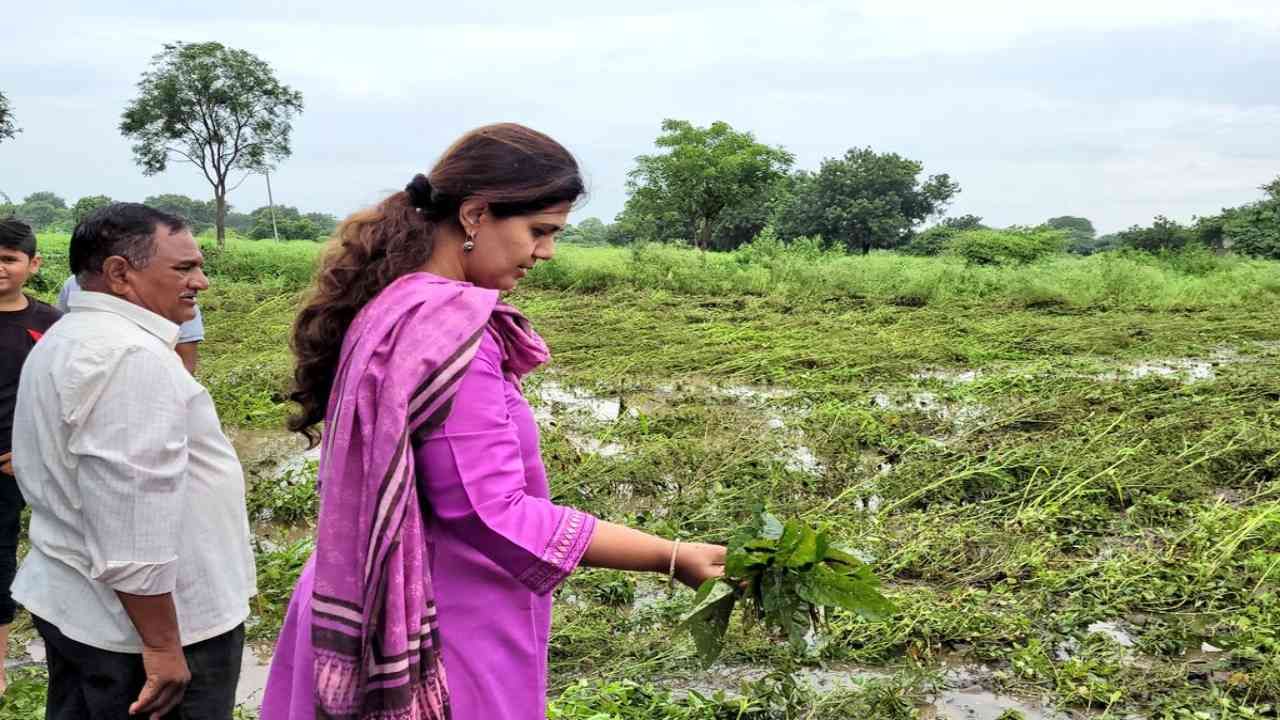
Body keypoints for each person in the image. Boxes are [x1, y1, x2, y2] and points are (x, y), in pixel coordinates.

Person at [261, 124, 727, 720]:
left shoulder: (391, 308)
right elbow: (489, 511)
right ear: (477, 214)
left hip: (365, 588)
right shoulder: (454, 330)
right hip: (444, 622)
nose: (547, 252)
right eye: (539, 231)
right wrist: (671, 554)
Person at [11, 203, 255, 719]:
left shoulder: (71, 337)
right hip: (145, 639)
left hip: (86, 611)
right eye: (184, 268)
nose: (201, 282)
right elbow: (132, 520)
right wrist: (164, 646)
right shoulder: (129, 358)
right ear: (121, 273)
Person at [0, 218, 62, 694]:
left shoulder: (51, 325)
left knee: (10, 560)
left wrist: (32, 452)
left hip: (25, 469)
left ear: (33, 264)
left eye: (9, 259)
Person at [57, 274, 205, 373]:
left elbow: (185, 363)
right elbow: (66, 335)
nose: (202, 282)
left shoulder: (179, 294)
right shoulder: (75, 284)